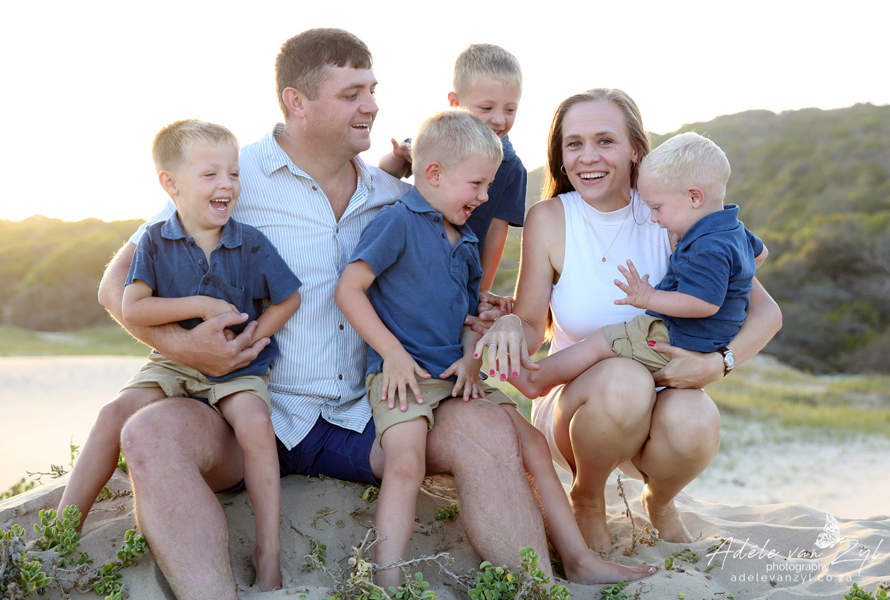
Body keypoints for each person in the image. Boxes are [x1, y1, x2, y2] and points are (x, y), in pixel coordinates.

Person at [96, 31, 641, 600]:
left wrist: (486, 315)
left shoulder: (395, 197)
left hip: (373, 417)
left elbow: (441, 289)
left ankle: (538, 588)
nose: (372, 105)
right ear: (296, 101)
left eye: (373, 90)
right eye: (352, 93)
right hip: (247, 414)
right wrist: (184, 348)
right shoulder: (231, 178)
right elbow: (117, 287)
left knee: (487, 427)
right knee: (150, 434)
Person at [336, 109, 654, 589]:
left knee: (533, 446)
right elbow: (348, 290)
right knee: (405, 463)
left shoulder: (466, 242)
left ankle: (578, 560)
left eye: (489, 186)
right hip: (403, 376)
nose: (485, 197)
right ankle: (386, 581)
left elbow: (468, 319)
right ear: (433, 173)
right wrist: (393, 354)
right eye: (477, 185)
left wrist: (471, 356)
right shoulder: (397, 222)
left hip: (457, 376)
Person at [474, 88, 782, 554]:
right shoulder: (550, 218)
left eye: (605, 141)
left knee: (696, 416)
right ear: (561, 155)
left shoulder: (670, 211)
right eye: (574, 144)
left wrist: (719, 363)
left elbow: (766, 311)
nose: (587, 157)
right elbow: (532, 325)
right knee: (624, 377)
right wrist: (511, 325)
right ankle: (587, 497)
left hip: (658, 403)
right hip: (576, 410)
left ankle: (660, 500)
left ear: (637, 148)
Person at [60, 119, 300, 590]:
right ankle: (63, 531)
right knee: (113, 413)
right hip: (172, 362)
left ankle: (267, 551)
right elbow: (134, 306)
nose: (227, 184)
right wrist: (200, 305)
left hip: (238, 365)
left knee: (256, 425)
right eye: (210, 174)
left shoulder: (250, 241)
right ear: (170, 184)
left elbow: (288, 298)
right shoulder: (154, 240)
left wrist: (253, 338)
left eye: (233, 173)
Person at [509, 132, 768, 398]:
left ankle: (535, 379)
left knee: (602, 342)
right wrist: (730, 280)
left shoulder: (707, 246)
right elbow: (760, 255)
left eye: (657, 208)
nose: (653, 218)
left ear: (694, 198)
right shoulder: (733, 229)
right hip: (701, 341)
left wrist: (649, 297)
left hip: (678, 337)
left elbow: (704, 304)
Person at [378, 43, 526, 305]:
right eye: (487, 108)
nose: (499, 120)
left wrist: (481, 289)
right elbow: (385, 175)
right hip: (412, 263)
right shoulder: (435, 141)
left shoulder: (511, 166)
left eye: (510, 109)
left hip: (462, 276)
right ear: (455, 103)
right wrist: (398, 156)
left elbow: (496, 231)